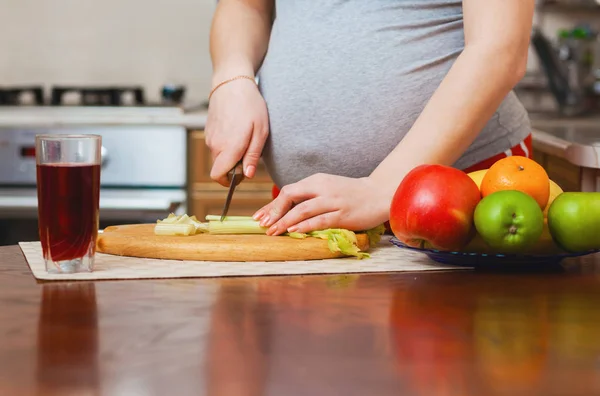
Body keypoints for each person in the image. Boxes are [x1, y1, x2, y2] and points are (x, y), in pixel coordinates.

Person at [205, 0, 535, 236]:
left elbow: (499, 48)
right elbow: (246, 5)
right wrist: (231, 77)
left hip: (457, 187)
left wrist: (380, 189)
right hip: (310, 204)